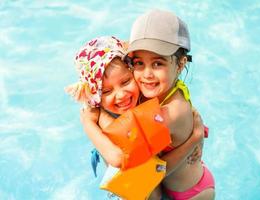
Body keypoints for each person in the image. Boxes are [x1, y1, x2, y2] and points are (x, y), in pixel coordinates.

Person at [65, 36, 205, 199]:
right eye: (107, 92)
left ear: (132, 71)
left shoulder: (147, 104)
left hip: (191, 193)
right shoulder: (105, 115)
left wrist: (88, 123)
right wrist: (194, 140)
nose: (121, 95)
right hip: (160, 185)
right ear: (94, 96)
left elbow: (120, 159)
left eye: (125, 82)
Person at [126, 9, 215, 199]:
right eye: (139, 63)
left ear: (181, 64)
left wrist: (194, 138)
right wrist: (196, 138)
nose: (147, 74)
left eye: (158, 64)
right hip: (174, 178)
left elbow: (147, 172)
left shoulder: (170, 113)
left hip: (191, 193)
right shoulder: (163, 89)